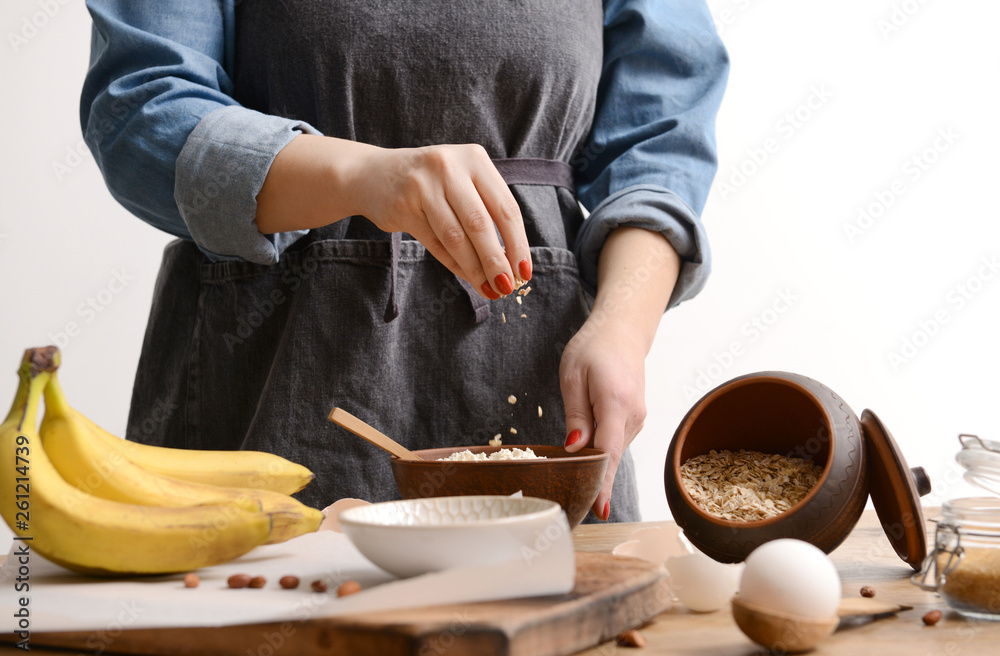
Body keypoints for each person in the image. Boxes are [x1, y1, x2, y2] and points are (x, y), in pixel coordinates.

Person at [80, 0, 728, 522]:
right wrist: (364, 175)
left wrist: (621, 327)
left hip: (539, 383)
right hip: (272, 377)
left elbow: (661, 140)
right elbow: (140, 109)